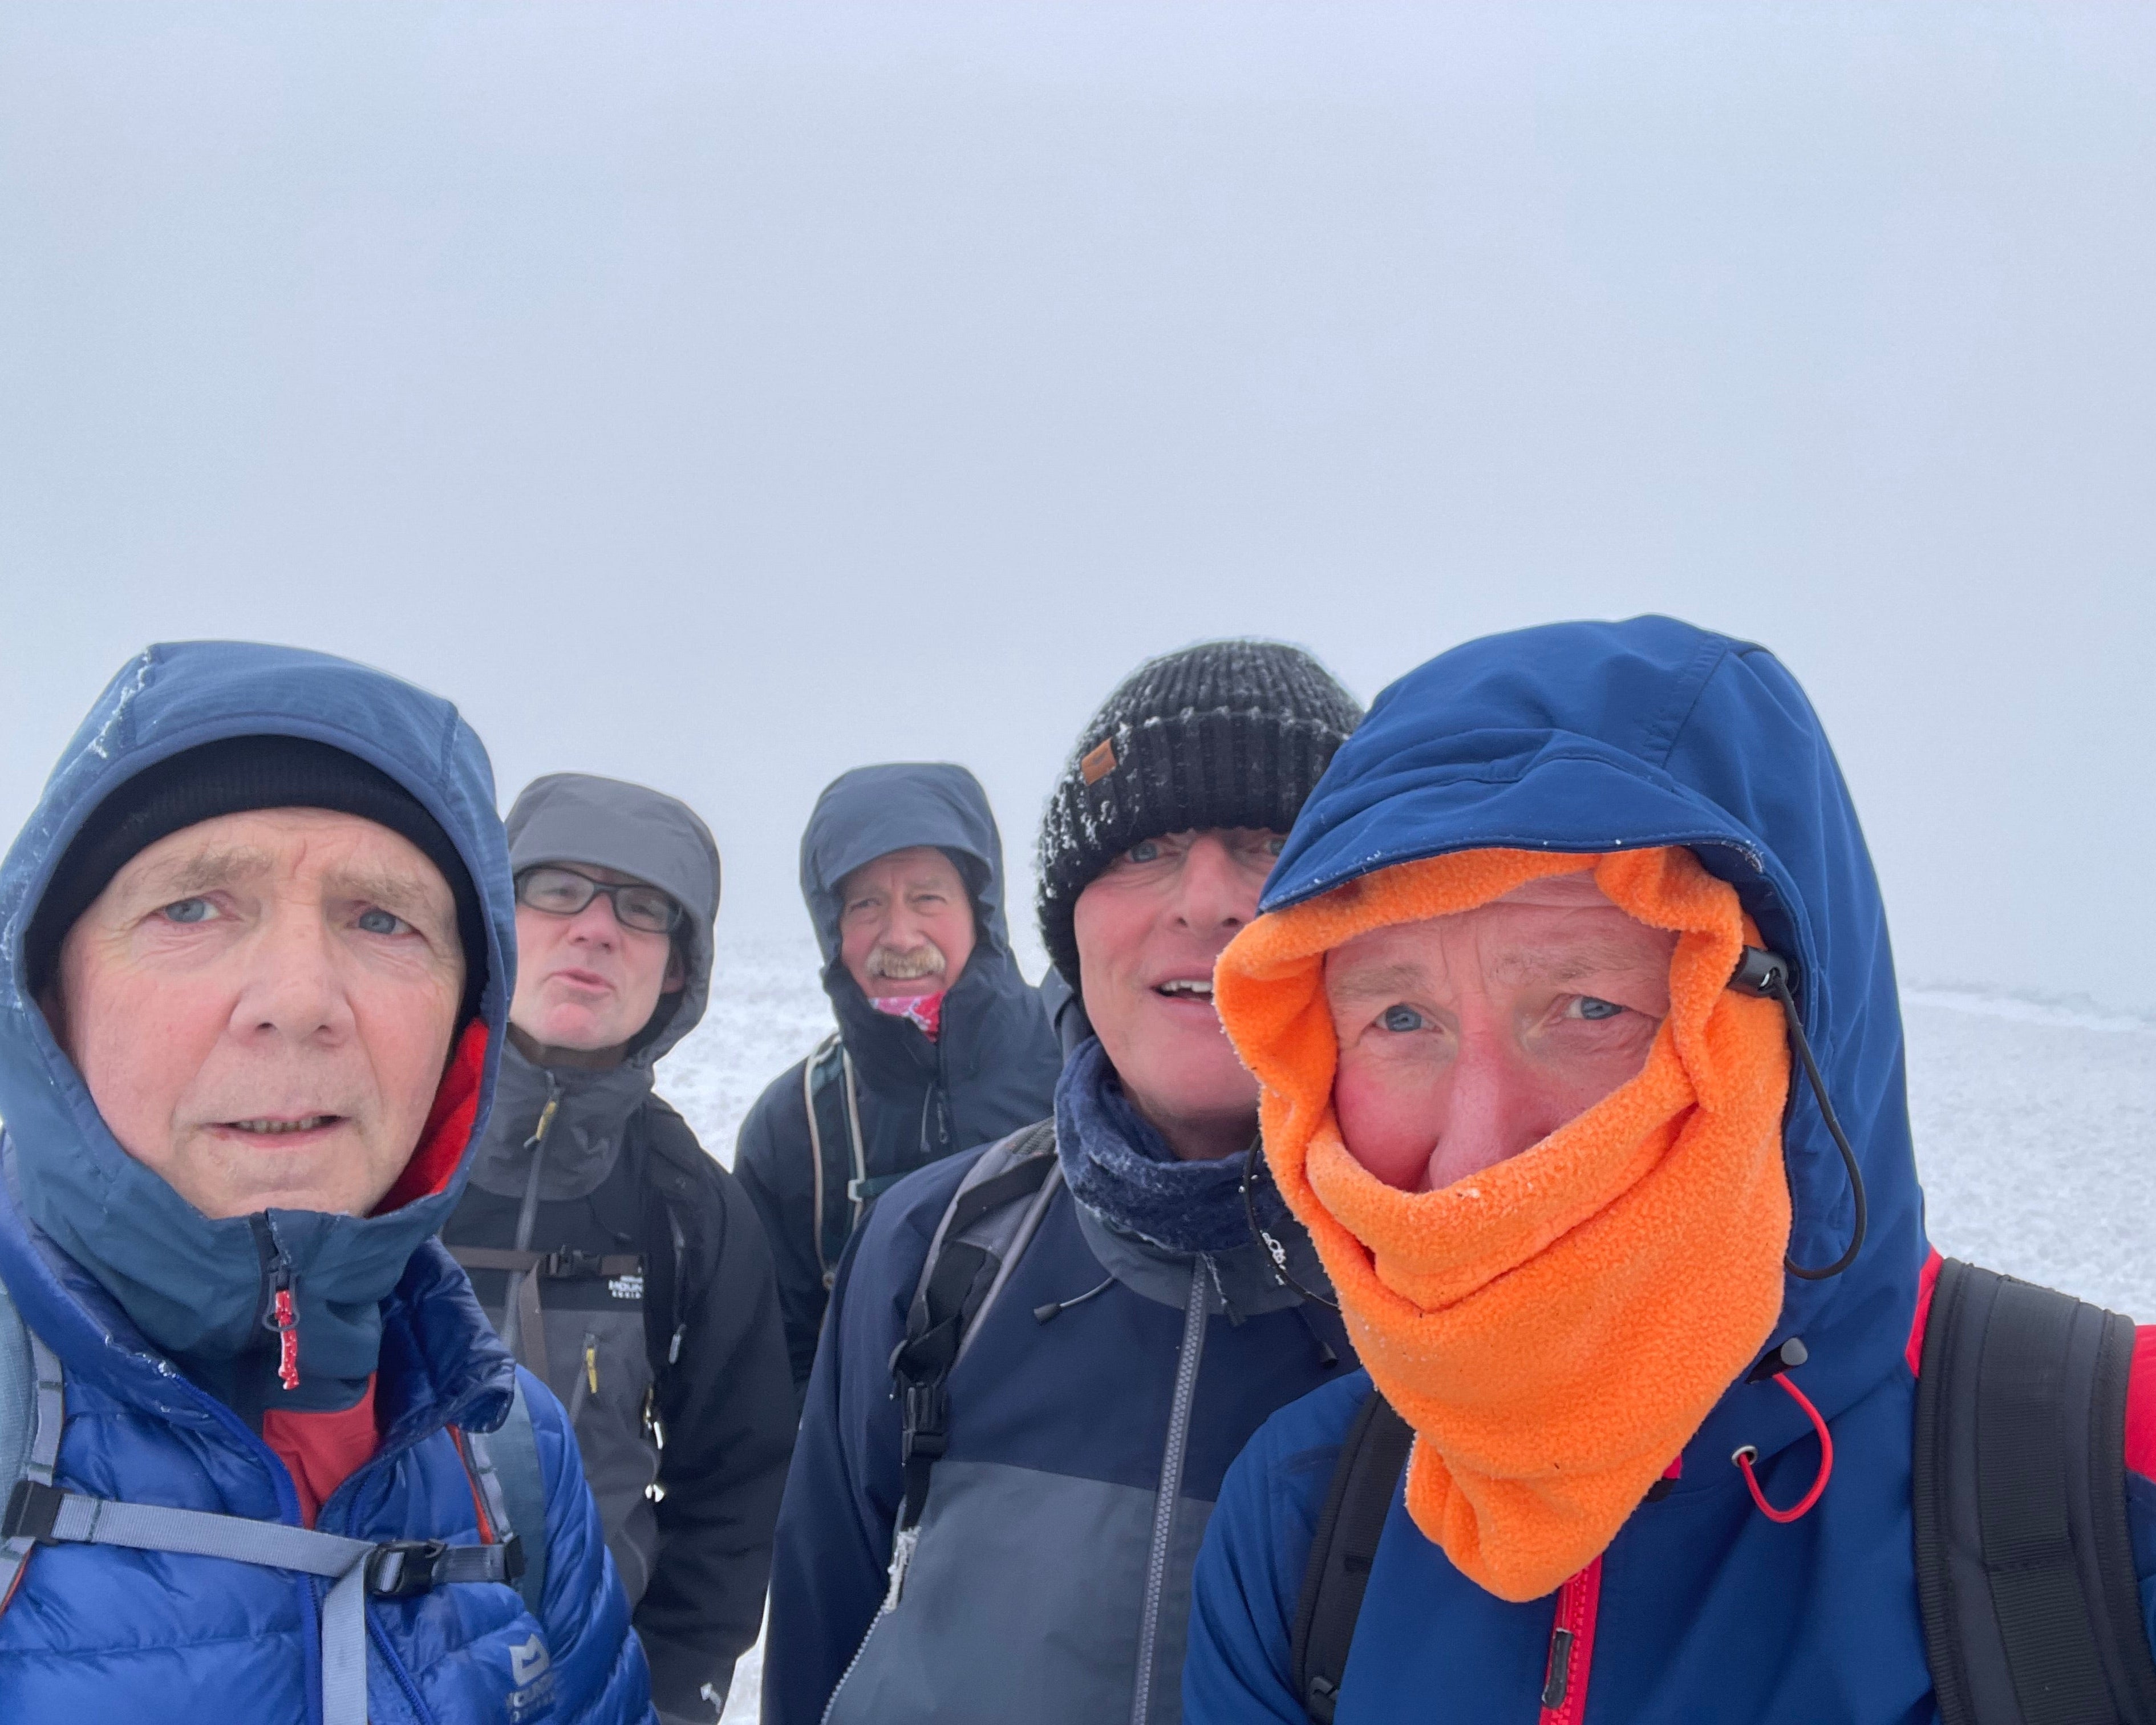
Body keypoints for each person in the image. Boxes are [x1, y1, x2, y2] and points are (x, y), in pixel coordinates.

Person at [1186, 616, 2156, 1722]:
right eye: (1402, 1017)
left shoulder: (2114, 1478)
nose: (1477, 1150)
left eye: (1590, 1006)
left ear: (1785, 1035)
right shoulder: (1307, 1514)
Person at [0, 642, 650, 1723]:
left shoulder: (507, 1447)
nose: (300, 997)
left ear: (460, 1029)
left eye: (381, 918)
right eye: (194, 906)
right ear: (50, 992)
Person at [763, 641, 1365, 1725]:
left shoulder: (1456, 1275)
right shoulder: (933, 1246)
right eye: (1149, 845)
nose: (1208, 897)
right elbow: (818, 1638)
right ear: (1069, 922)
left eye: (1270, 843)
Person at [441, 772, 793, 1724]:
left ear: (678, 968)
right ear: (497, 920)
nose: (596, 927)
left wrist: (668, 1694)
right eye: (559, 887)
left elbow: (735, 1489)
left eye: (642, 908)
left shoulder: (691, 1210)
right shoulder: (374, 1150)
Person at [735, 763, 1063, 1398]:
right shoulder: (794, 1124)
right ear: (833, 930)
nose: (900, 935)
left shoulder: (1083, 1068)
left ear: (981, 911)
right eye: (866, 905)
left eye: (928, 898)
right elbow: (777, 1370)